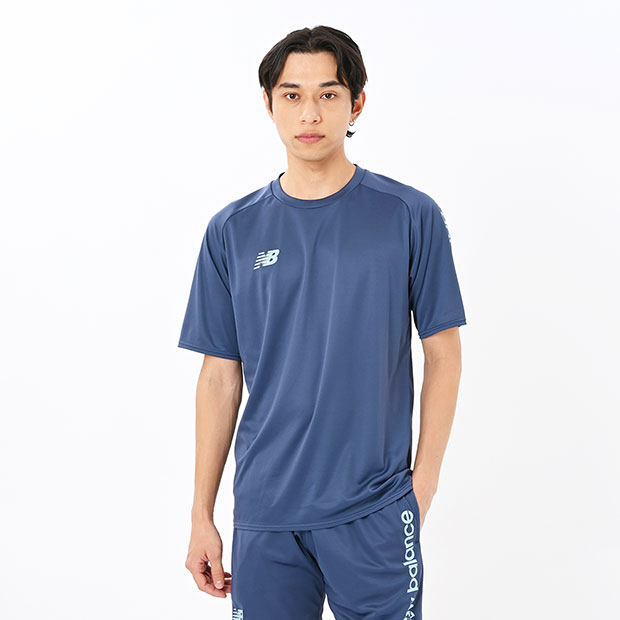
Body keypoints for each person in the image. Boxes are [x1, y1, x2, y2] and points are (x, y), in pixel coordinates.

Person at [179, 25, 466, 620]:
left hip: (375, 508)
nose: (309, 113)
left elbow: (443, 353)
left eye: (328, 94)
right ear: (269, 103)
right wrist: (202, 514)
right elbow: (219, 377)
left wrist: (422, 486)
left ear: (356, 103)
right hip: (266, 514)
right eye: (292, 94)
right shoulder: (231, 230)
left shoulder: (409, 215)